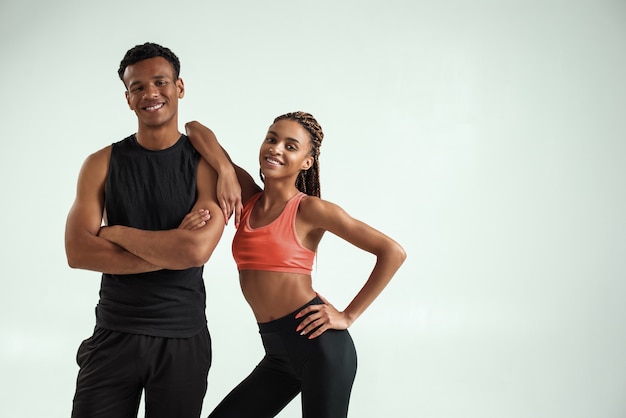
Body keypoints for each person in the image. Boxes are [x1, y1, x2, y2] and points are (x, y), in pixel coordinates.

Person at [184, 111, 407, 418]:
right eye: (272, 139)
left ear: (307, 161)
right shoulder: (248, 197)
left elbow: (392, 252)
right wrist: (224, 169)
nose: (276, 149)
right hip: (278, 355)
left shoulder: (310, 209)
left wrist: (348, 315)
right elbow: (195, 129)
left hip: (320, 347)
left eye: (291, 146)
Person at [64, 42, 240, 418]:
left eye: (160, 82)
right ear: (128, 99)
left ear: (179, 87)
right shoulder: (100, 163)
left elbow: (194, 252)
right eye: (138, 87)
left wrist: (115, 233)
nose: (150, 93)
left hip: (182, 336)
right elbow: (78, 252)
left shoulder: (204, 165)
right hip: (114, 333)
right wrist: (170, 249)